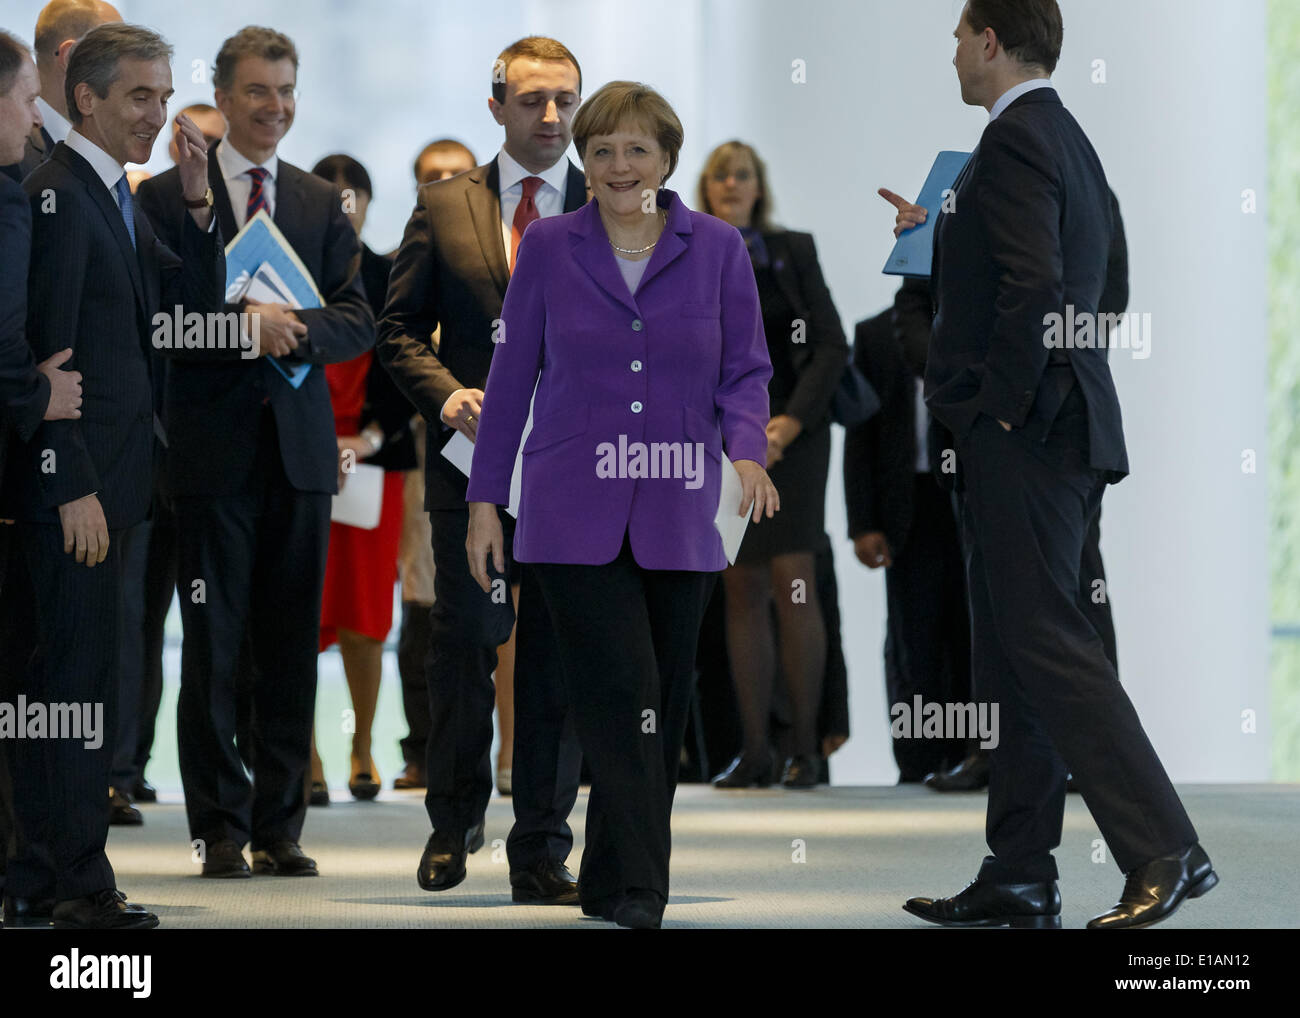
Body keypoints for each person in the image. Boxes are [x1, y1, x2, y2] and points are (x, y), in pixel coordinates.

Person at [881, 0, 1214, 930]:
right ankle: (1020, 873)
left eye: (958, 35)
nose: (951, 51)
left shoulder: (1018, 139)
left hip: (1025, 436)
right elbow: (1099, 285)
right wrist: (941, 235)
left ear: (990, 41)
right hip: (1060, 431)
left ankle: (1165, 848)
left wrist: (997, 410)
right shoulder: (1065, 138)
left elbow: (1037, 289)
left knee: (1050, 646)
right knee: (1016, 652)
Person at [467, 81, 777, 928]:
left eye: (636, 149)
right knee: (618, 693)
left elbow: (746, 368)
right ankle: (640, 890)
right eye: (600, 149)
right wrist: (485, 500)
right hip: (571, 512)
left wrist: (746, 450)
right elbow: (510, 379)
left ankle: (610, 880)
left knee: (662, 699)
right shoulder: (550, 247)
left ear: (667, 160)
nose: (616, 164)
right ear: (583, 160)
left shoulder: (717, 247)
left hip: (683, 508)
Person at [136, 25, 373, 879]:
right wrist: (240, 329)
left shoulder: (318, 203)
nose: (276, 107)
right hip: (209, 458)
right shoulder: (165, 199)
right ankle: (222, 830)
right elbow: (160, 325)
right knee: (213, 645)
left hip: (302, 461)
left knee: (286, 646)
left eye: (287, 91)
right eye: (258, 92)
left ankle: (281, 826)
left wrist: (291, 329)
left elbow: (358, 320)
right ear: (225, 98)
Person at [6, 22, 222, 929]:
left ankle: (43, 879)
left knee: (76, 686)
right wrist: (71, 483)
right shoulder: (52, 195)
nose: (158, 114)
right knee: (68, 692)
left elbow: (188, 302)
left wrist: (202, 202)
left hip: (121, 483)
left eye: (166, 95)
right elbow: (41, 359)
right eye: (140, 95)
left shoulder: (113, 195)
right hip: (78, 493)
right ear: (83, 97)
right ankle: (75, 885)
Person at [379, 36, 586, 903]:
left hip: (580, 473)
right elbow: (395, 331)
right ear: (496, 104)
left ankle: (540, 845)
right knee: (465, 645)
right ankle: (452, 818)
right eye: (533, 100)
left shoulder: (608, 198)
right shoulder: (444, 203)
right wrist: (448, 393)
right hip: (471, 474)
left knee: (558, 661)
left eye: (566, 102)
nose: (551, 118)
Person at [695, 140, 846, 790]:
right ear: (705, 188)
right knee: (740, 584)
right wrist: (742, 435)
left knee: (793, 581)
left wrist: (786, 425)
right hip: (725, 434)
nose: (732, 184)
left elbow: (831, 345)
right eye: (721, 175)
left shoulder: (792, 249)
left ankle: (804, 749)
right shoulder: (687, 251)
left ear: (760, 186)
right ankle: (754, 749)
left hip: (796, 433)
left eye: (744, 174)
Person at [0, 27, 84, 926]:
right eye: (26, 99)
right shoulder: (16, 198)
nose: (34, 121)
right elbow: (3, 341)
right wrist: (37, 389)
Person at [307, 153, 415, 802]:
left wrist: (368, 437)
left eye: (356, 199)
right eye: (333, 199)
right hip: (299, 462)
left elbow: (404, 369)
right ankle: (309, 757)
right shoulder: (290, 275)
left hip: (373, 465)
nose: (346, 210)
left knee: (366, 614)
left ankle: (363, 747)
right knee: (301, 610)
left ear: (370, 205)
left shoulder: (388, 274)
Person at [844, 291, 971, 785]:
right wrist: (861, 522)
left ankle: (971, 753)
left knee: (970, 630)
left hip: (966, 495)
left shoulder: (974, 320)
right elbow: (862, 433)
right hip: (905, 505)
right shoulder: (874, 334)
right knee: (910, 638)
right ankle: (917, 760)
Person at [392, 138, 477, 791]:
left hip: (541, 457)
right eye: (432, 179)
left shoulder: (518, 244)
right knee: (431, 610)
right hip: (431, 458)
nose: (444, 184)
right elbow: (393, 340)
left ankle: (515, 764)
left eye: (456, 175)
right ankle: (426, 753)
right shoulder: (414, 254)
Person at [1, 0, 120, 182]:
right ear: (72, 57)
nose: (124, 74)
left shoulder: (102, 150)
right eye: (116, 57)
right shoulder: (10, 149)